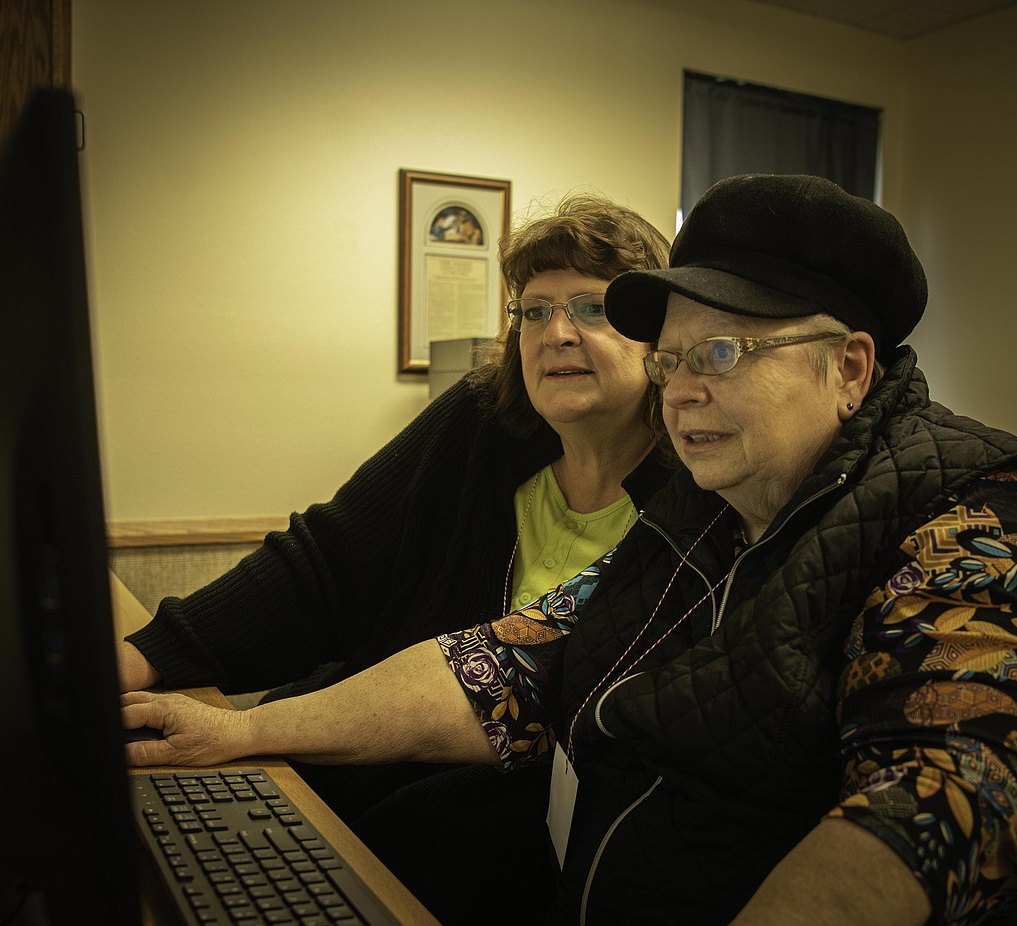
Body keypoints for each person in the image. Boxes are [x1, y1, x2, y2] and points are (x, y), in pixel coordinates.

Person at [124, 174, 1017, 924]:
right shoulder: (708, 512)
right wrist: (238, 732)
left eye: (721, 354)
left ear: (848, 368)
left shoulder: (981, 507)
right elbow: (513, 662)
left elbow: (949, 790)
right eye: (673, 359)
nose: (682, 391)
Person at [116, 193, 674, 922]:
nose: (556, 333)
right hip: (345, 776)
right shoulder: (481, 424)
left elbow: (521, 692)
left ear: (660, 339)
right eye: (533, 311)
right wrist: (147, 655)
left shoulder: (690, 500)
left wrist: (247, 730)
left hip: (492, 854)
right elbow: (323, 564)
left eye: (590, 308)